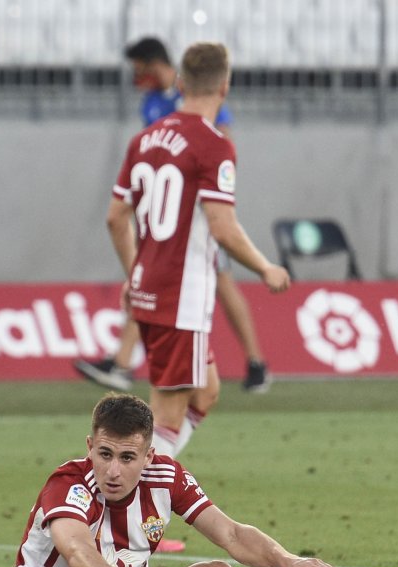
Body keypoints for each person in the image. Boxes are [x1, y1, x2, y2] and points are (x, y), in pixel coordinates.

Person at [5, 392, 344, 567]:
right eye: (104, 454)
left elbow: (231, 534)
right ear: (90, 446)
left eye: (127, 458)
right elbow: (76, 549)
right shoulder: (69, 484)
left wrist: (285, 559)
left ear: (149, 456)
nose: (113, 470)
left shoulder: (165, 478)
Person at [106, 42, 289, 461]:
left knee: (205, 391)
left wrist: (134, 273)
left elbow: (116, 219)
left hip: (151, 288)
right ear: (225, 87)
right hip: (180, 297)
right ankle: (128, 515)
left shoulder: (145, 139)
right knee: (165, 417)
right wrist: (265, 267)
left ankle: (131, 493)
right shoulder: (214, 145)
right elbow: (223, 228)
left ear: (182, 82)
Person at [74, 36, 273, 394]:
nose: (137, 76)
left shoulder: (197, 94)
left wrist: (213, 197)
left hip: (199, 213)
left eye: (139, 69)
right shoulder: (152, 103)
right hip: (171, 213)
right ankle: (121, 362)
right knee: (159, 278)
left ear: (156, 65)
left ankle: (256, 362)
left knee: (217, 286)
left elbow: (217, 140)